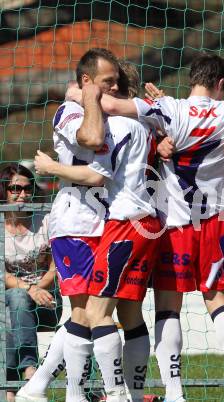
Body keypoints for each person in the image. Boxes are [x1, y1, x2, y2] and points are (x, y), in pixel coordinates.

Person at [66, 53, 224, 402]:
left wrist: (76, 93)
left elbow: (112, 105)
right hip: (216, 220)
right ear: (220, 85)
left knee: (168, 307)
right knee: (219, 300)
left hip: (174, 225)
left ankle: (173, 390)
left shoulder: (171, 109)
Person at [33, 60, 161, 402]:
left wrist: (49, 166)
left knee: (90, 314)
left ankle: (112, 393)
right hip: (95, 220)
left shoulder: (117, 124)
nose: (111, 90)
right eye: (107, 83)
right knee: (107, 313)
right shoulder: (81, 112)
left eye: (115, 85)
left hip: (116, 222)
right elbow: (89, 135)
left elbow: (96, 171)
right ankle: (83, 391)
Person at [1, 164, 62, 402]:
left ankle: (9, 383)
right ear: (4, 190)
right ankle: (28, 371)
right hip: (13, 300)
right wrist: (29, 289)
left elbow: (57, 265)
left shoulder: (44, 220)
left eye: (27, 189)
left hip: (46, 303)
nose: (22, 195)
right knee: (13, 304)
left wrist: (39, 289)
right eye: (15, 188)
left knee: (8, 315)